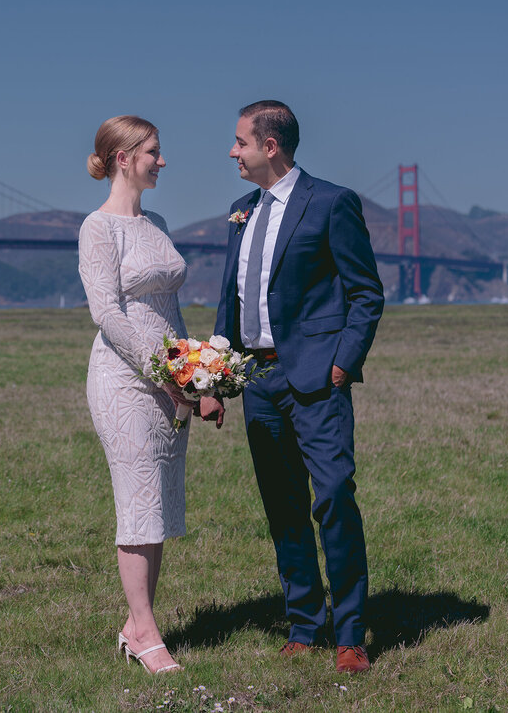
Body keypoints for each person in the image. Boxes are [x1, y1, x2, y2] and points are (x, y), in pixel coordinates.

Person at [198, 100, 384, 674]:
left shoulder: (331, 203)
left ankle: (351, 633)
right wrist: (215, 378)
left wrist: (341, 365)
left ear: (269, 146)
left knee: (332, 499)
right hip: (257, 380)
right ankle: (304, 624)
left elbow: (365, 293)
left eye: (239, 142)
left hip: (316, 381)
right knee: (283, 508)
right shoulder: (239, 211)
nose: (232, 151)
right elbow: (231, 299)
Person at [78, 115, 191, 675]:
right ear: (124, 158)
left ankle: (137, 624)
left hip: (170, 379)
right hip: (123, 380)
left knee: (160, 505)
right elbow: (107, 314)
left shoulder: (159, 221)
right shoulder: (97, 229)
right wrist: (162, 372)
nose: (162, 161)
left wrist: (197, 376)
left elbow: (170, 310)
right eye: (154, 152)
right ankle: (145, 630)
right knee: (137, 501)